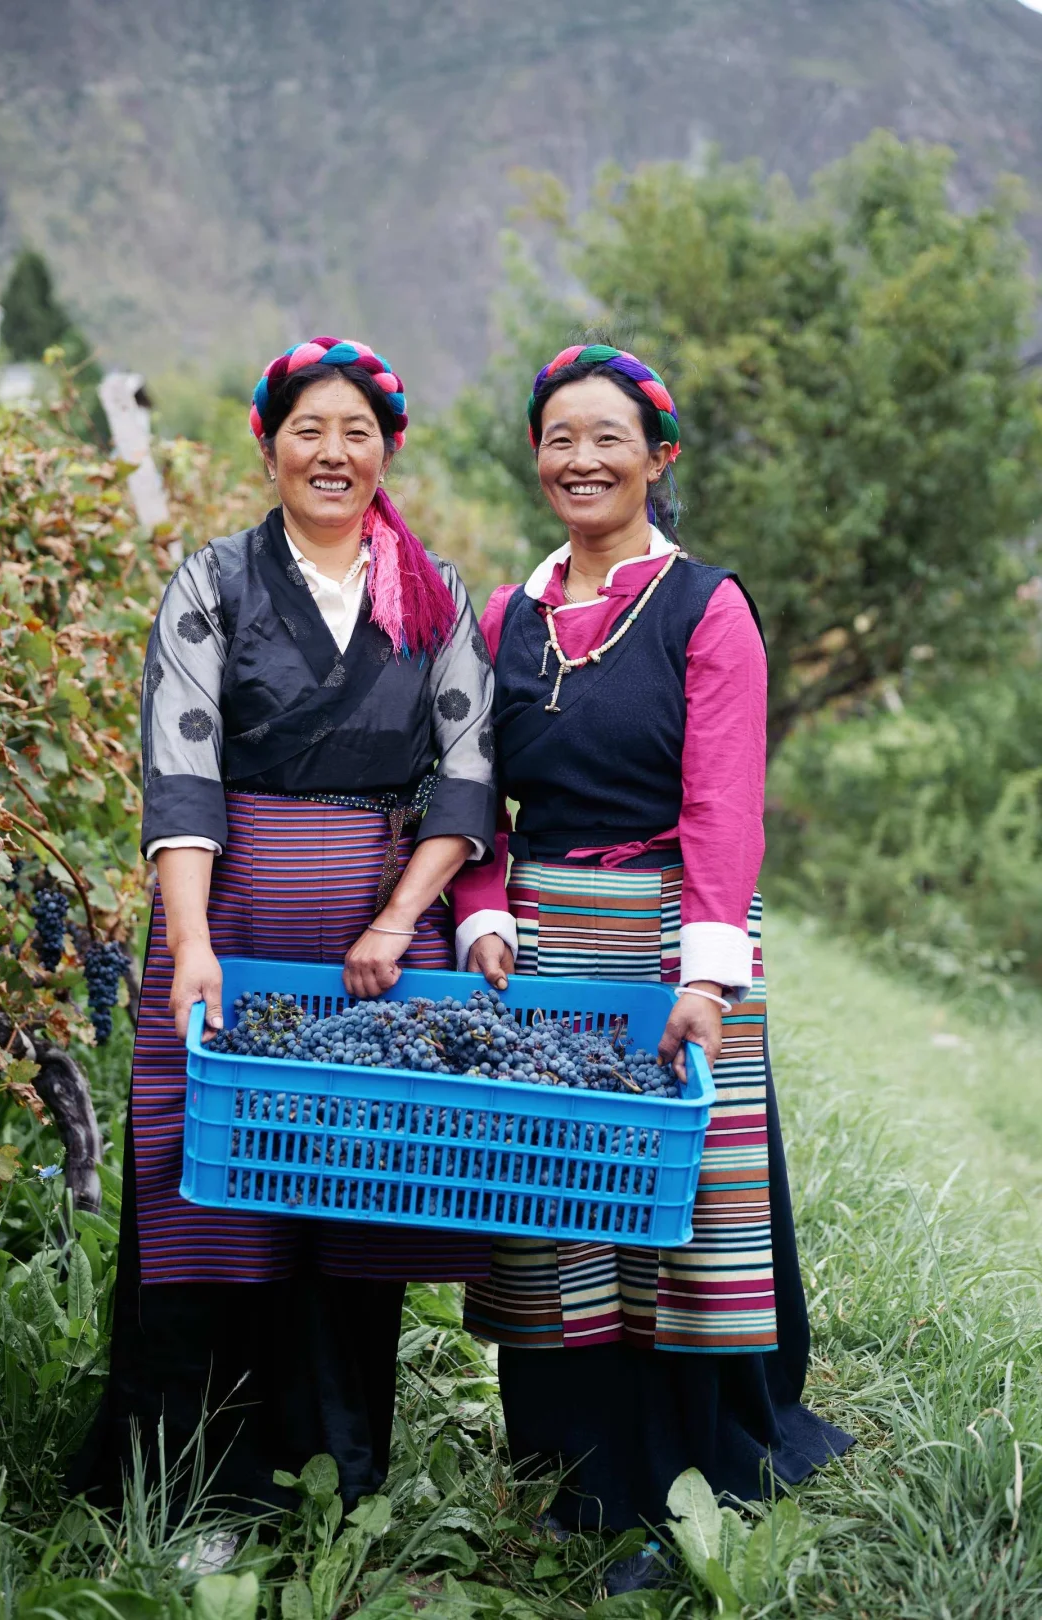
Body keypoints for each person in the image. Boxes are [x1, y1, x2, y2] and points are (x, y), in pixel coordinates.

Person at [452, 341, 852, 1589]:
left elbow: (725, 804)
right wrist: (479, 913)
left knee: (676, 1218)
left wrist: (705, 975)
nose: (582, 459)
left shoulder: (704, 607)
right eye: (560, 437)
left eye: (608, 438)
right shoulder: (506, 621)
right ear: (537, 457)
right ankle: (582, 1474)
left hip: (673, 935)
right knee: (561, 1201)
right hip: (543, 949)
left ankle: (691, 1486)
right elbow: (468, 800)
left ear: (657, 459)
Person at [73, 336, 497, 1515]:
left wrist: (401, 916)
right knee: (209, 1194)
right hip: (234, 918)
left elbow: (465, 778)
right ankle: (187, 1483)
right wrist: (193, 941)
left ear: (387, 451)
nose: (332, 451)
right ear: (269, 448)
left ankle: (334, 1478)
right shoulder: (212, 585)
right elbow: (184, 773)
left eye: (356, 431)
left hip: (376, 944)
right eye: (308, 429)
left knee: (351, 1199)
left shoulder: (435, 595)